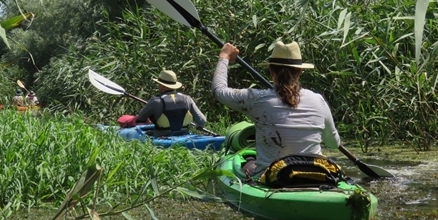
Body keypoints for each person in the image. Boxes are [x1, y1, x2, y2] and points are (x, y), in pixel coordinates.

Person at [212, 39, 341, 179]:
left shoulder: (257, 99)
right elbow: (333, 144)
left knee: (248, 163)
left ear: (271, 70)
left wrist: (224, 57)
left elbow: (218, 91)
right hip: (314, 174)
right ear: (300, 71)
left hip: (272, 177)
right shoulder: (318, 100)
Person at [134, 69, 208, 137]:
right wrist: (198, 126)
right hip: (185, 135)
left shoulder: (156, 101)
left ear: (162, 85)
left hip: (162, 136)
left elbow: (141, 118)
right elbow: (202, 120)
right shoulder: (187, 99)